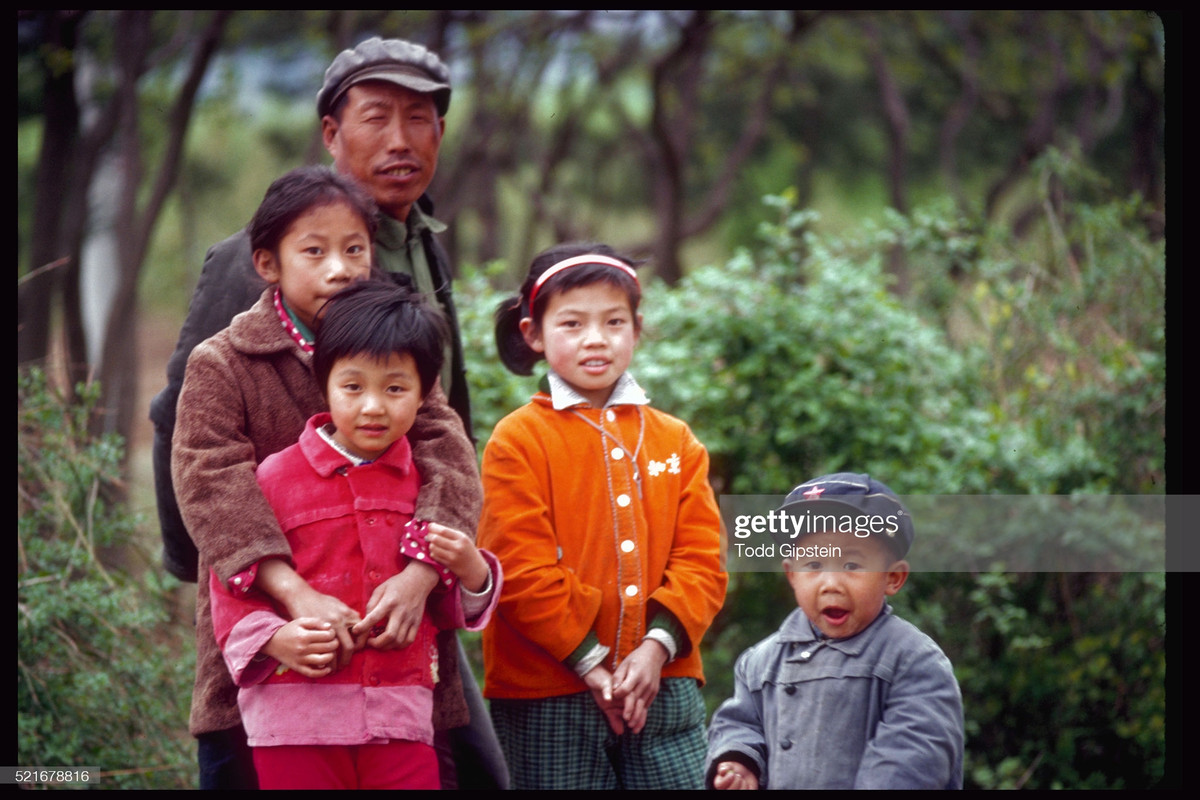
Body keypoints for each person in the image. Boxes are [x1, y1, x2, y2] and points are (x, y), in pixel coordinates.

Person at [148, 37, 506, 788]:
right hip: (279, 617)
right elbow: (195, 451)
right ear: (332, 131)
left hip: (394, 610)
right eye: (377, 117)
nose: (402, 139)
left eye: (422, 118)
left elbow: (445, 440)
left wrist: (419, 573)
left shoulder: (413, 245)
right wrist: (234, 579)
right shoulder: (242, 291)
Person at [208, 279, 501, 789]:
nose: (372, 407)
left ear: (425, 391)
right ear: (324, 385)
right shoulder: (274, 479)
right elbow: (230, 581)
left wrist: (472, 570)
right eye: (353, 387)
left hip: (401, 718)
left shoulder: (427, 489)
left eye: (394, 388)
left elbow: (446, 612)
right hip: (293, 719)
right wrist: (275, 639)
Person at [478, 243, 728, 789]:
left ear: (637, 328)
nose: (596, 338)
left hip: (663, 683)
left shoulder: (676, 441)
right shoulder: (517, 441)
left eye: (614, 322)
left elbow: (703, 562)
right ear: (533, 334)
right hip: (547, 694)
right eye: (572, 323)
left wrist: (656, 649)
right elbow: (518, 569)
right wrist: (590, 662)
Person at [705, 472, 964, 790]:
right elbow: (738, 723)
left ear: (893, 578)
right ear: (791, 575)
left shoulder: (913, 660)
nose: (830, 584)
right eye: (813, 565)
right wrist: (739, 763)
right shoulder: (759, 663)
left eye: (852, 566)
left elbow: (910, 763)